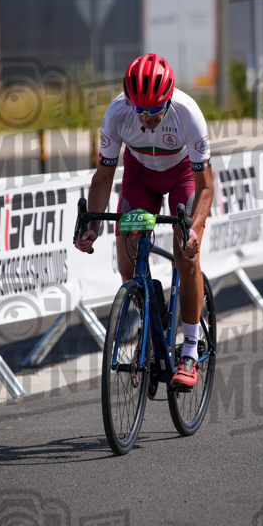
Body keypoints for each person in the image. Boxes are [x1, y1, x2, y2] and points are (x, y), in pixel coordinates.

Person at [75, 53, 213, 391]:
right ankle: (152, 317)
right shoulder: (116, 114)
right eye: (139, 110)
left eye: (154, 110)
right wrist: (92, 226)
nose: (146, 118)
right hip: (141, 178)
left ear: (168, 99)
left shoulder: (188, 114)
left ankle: (190, 353)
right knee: (127, 259)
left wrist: (193, 230)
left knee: (186, 255)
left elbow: (206, 186)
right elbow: (103, 179)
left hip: (183, 177)